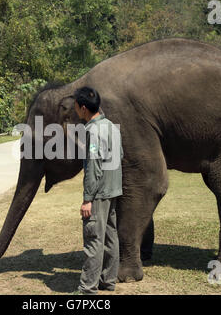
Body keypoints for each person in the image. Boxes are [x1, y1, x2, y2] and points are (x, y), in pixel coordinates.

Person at [73, 86, 124, 295]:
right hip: (113, 191)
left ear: (83, 108)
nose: (76, 110)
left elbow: (93, 165)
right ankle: (108, 281)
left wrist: (87, 199)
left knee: (93, 238)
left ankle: (87, 289)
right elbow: (120, 155)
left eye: (76, 107)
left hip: (99, 194)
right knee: (111, 237)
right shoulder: (112, 126)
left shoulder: (92, 132)